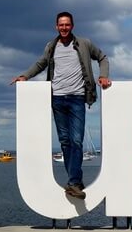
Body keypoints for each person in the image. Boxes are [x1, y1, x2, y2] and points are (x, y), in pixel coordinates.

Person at [11, 11, 111, 199]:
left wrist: (103, 75)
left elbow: (102, 57)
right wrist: (25, 76)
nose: (64, 28)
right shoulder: (51, 46)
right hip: (57, 99)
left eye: (67, 24)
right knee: (65, 141)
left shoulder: (84, 43)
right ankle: (75, 182)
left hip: (77, 98)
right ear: (56, 26)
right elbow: (41, 63)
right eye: (61, 25)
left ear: (72, 26)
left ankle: (74, 181)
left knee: (76, 140)